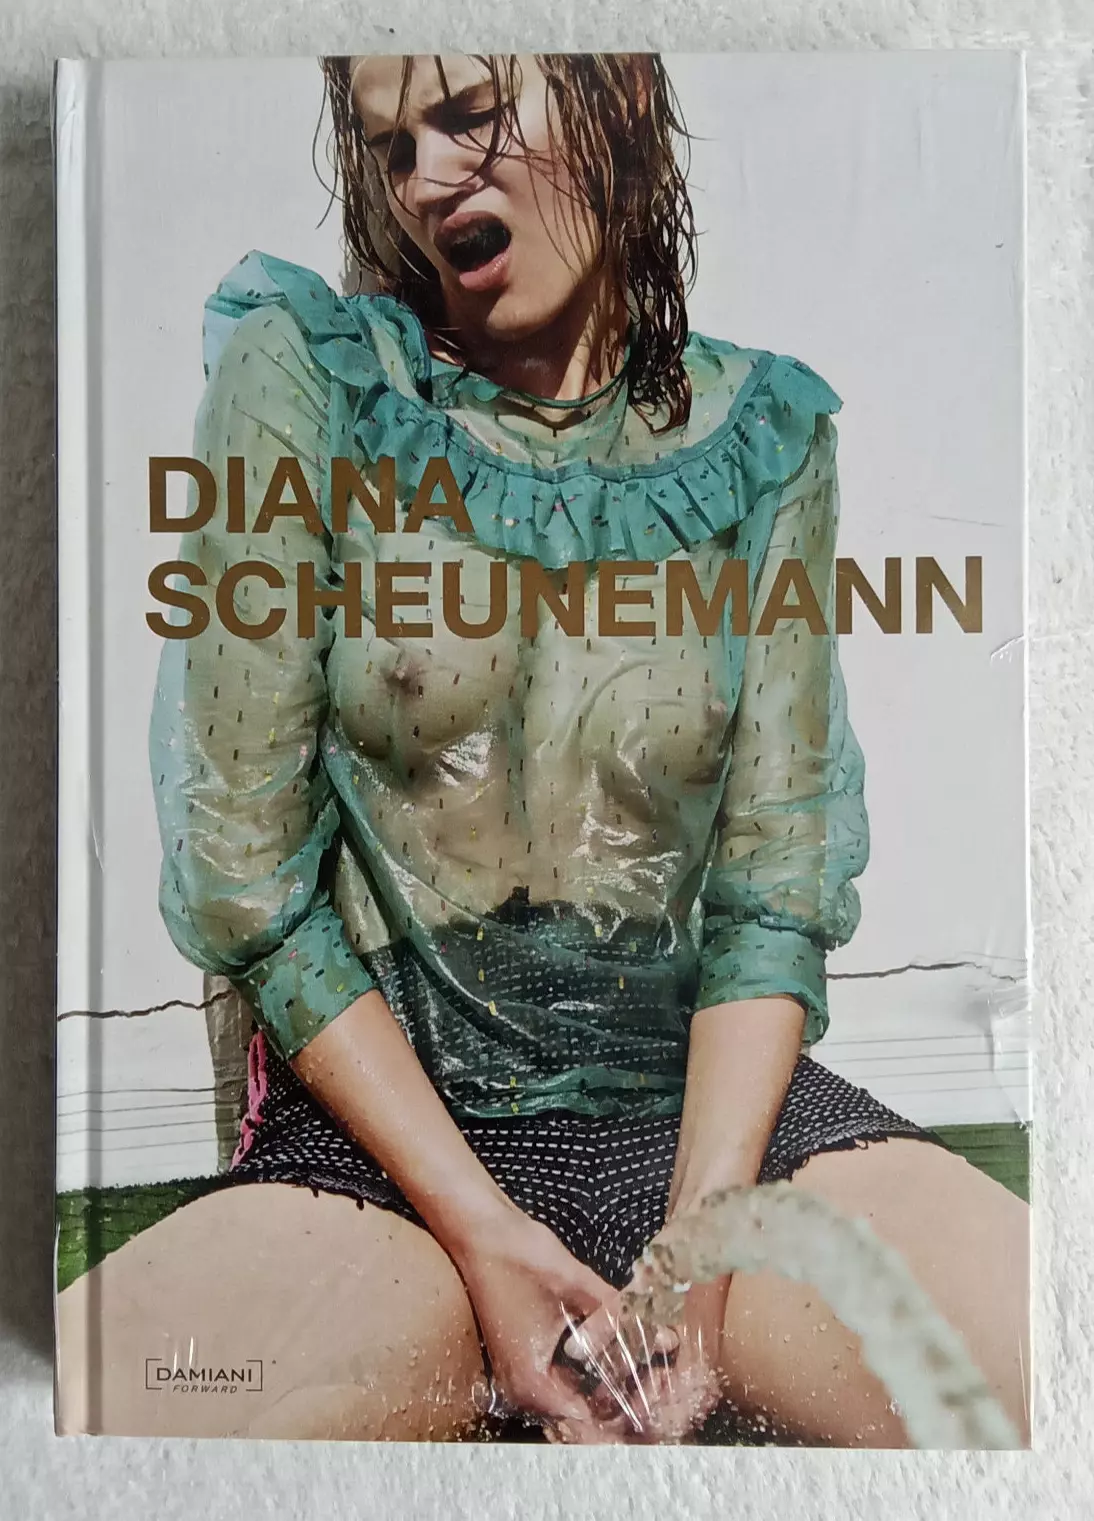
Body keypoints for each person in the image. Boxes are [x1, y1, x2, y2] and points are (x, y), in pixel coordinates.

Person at [56, 52, 1029, 1446]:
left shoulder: (764, 438)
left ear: (615, 96)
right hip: (391, 1154)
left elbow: (775, 884)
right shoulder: (308, 380)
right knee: (98, 1424)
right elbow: (241, 872)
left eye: (470, 117)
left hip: (715, 1132)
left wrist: (699, 1248)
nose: (426, 179)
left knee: (1044, 1389)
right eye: (392, 147)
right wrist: (479, 1228)